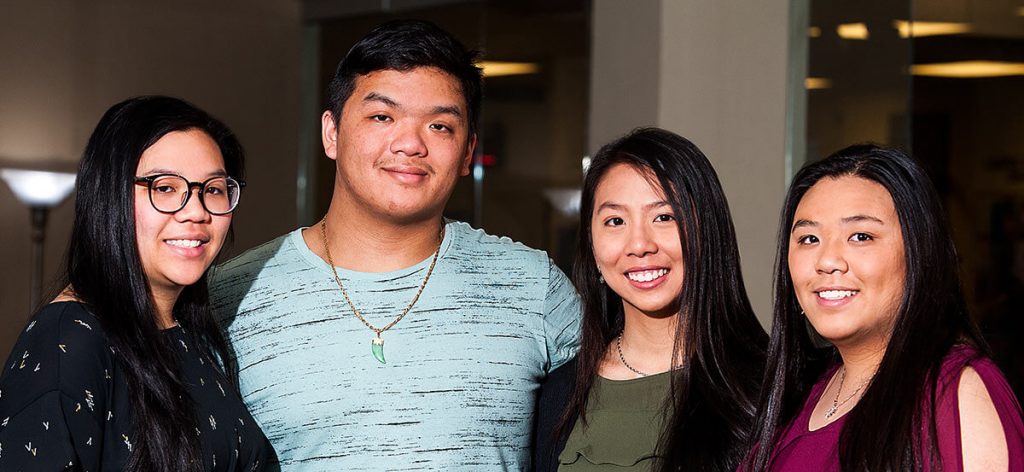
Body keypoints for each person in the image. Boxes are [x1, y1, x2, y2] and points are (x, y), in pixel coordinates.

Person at [209, 19, 580, 470]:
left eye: (440, 126)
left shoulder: (534, 287)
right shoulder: (229, 295)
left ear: (467, 152)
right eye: (382, 116)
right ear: (332, 133)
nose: (409, 144)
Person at [0, 96, 271, 471]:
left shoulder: (192, 334)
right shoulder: (70, 340)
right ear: (108, 195)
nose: (196, 211)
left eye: (213, 189)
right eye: (164, 187)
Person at [745, 144, 1024, 471]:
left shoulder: (954, 393)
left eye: (861, 236)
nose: (827, 261)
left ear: (918, 254)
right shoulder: (797, 397)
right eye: (808, 239)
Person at [533, 128, 767, 471]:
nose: (639, 244)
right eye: (615, 221)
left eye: (664, 217)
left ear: (706, 230)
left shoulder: (769, 386)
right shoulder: (559, 395)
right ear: (592, 246)